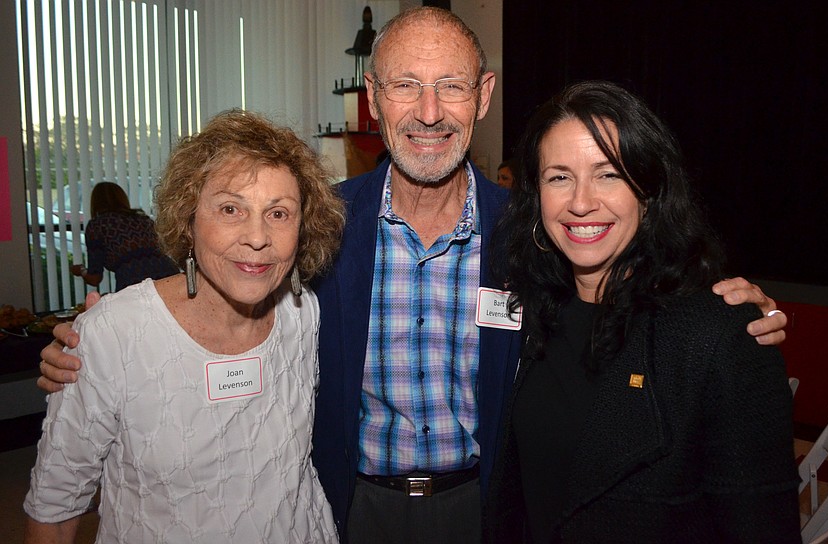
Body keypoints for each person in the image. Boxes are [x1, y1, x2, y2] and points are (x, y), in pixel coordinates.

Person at [37, 7, 788, 543]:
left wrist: (721, 303)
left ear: (483, 97)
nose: (429, 112)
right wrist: (98, 339)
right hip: (351, 504)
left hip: (487, 503)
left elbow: (625, 285)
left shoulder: (532, 231)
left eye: (452, 87)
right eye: (404, 86)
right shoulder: (318, 223)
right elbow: (230, 255)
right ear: (373, 97)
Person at [483, 81, 801, 543]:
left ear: (649, 192)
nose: (580, 202)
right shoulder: (536, 313)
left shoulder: (720, 335)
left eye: (608, 174)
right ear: (537, 197)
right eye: (559, 176)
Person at [24, 109, 345, 543]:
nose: (256, 236)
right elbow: (56, 509)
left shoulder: (302, 312)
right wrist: (88, 346)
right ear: (188, 219)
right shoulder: (115, 335)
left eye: (279, 213)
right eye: (231, 208)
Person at [71, 181, 180, 291]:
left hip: (134, 281)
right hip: (170, 276)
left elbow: (94, 278)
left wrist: (81, 270)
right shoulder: (143, 219)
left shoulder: (97, 226)